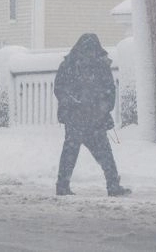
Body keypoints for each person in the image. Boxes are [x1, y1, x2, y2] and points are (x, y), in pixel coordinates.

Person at [54, 33, 131, 197]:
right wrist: (103, 108)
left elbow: (59, 88)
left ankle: (62, 185)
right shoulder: (99, 65)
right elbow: (109, 90)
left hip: (78, 119)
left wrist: (71, 102)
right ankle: (113, 185)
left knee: (71, 153)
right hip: (92, 118)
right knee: (104, 154)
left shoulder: (69, 65)